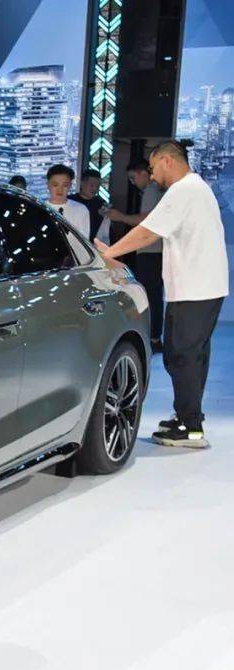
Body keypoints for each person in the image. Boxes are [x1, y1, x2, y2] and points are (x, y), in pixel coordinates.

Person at [96, 141, 228, 448]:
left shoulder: (184, 191)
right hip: (202, 287)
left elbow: (147, 231)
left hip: (195, 289)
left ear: (168, 160)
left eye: (154, 168)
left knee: (181, 356)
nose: (153, 176)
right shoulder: (196, 188)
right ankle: (188, 418)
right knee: (192, 356)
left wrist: (108, 254)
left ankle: (190, 427)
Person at [107, 159, 165, 348]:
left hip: (150, 251)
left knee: (149, 296)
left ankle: (152, 337)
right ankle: (154, 337)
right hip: (156, 251)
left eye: (133, 178)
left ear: (143, 173)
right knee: (154, 295)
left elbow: (145, 220)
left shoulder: (151, 190)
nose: (133, 183)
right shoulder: (156, 190)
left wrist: (120, 217)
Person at [45, 164, 91, 236]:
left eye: (65, 185)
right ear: (48, 185)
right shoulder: (39, 209)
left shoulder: (81, 209)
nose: (60, 190)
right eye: (55, 185)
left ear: (70, 186)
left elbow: (84, 238)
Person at [70, 168, 105, 241]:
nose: (95, 189)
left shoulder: (101, 204)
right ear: (82, 183)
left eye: (97, 186)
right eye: (92, 185)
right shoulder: (70, 201)